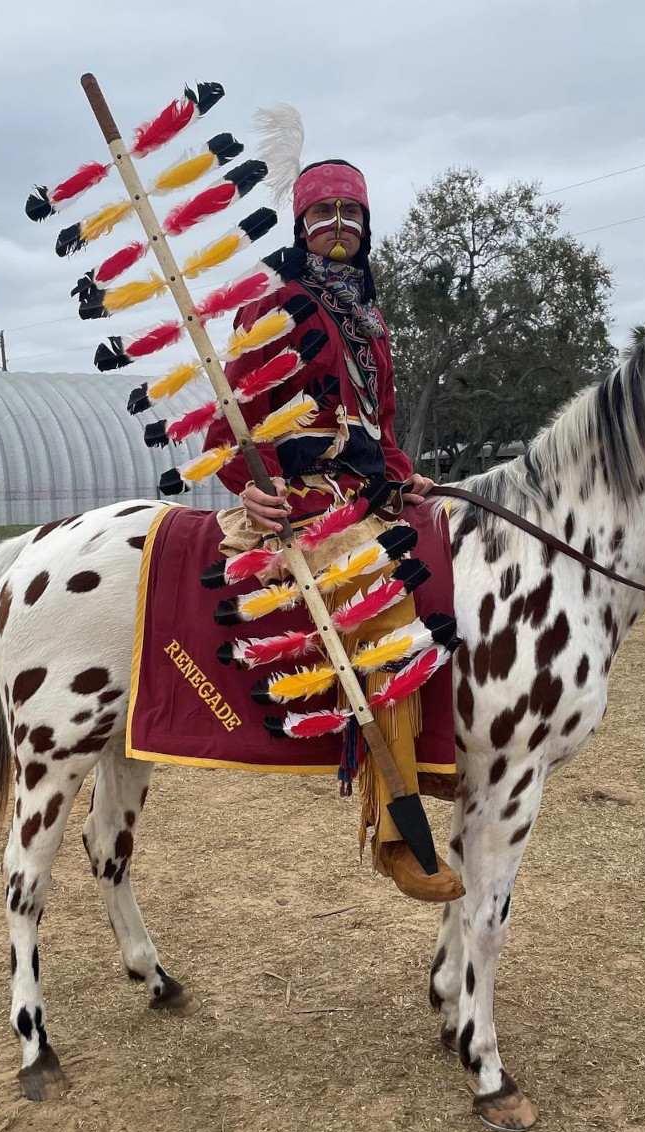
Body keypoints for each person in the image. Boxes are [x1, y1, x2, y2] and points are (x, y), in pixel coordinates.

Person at [203, 158, 463, 904]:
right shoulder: (272, 302)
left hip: (370, 488)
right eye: (325, 217)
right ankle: (397, 839)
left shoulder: (368, 315)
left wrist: (403, 470)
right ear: (302, 226)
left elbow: (374, 426)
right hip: (308, 501)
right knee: (384, 613)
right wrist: (250, 489)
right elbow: (232, 419)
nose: (339, 229)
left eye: (352, 216)